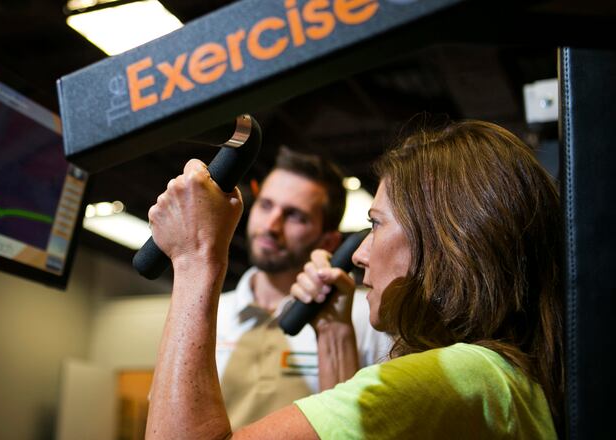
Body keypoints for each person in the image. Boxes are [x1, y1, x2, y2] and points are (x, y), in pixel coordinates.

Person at [144, 119, 564, 438]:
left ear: (443, 241)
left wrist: (195, 256)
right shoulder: (489, 378)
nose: (360, 255)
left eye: (376, 225)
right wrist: (332, 333)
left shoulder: (460, 376)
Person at [216, 147, 391, 429]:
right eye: (265, 205)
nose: (272, 225)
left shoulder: (365, 318)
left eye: (295, 216)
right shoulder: (210, 312)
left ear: (329, 243)